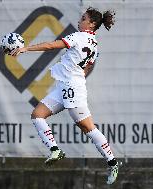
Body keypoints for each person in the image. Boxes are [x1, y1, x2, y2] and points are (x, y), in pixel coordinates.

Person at [11, 7, 119, 185]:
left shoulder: (78, 37)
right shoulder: (94, 43)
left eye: (83, 18)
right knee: (37, 115)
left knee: (87, 128)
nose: (80, 20)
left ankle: (112, 162)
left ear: (92, 23)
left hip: (73, 89)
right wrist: (79, 74)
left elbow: (51, 46)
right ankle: (54, 149)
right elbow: (89, 64)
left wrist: (25, 49)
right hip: (64, 87)